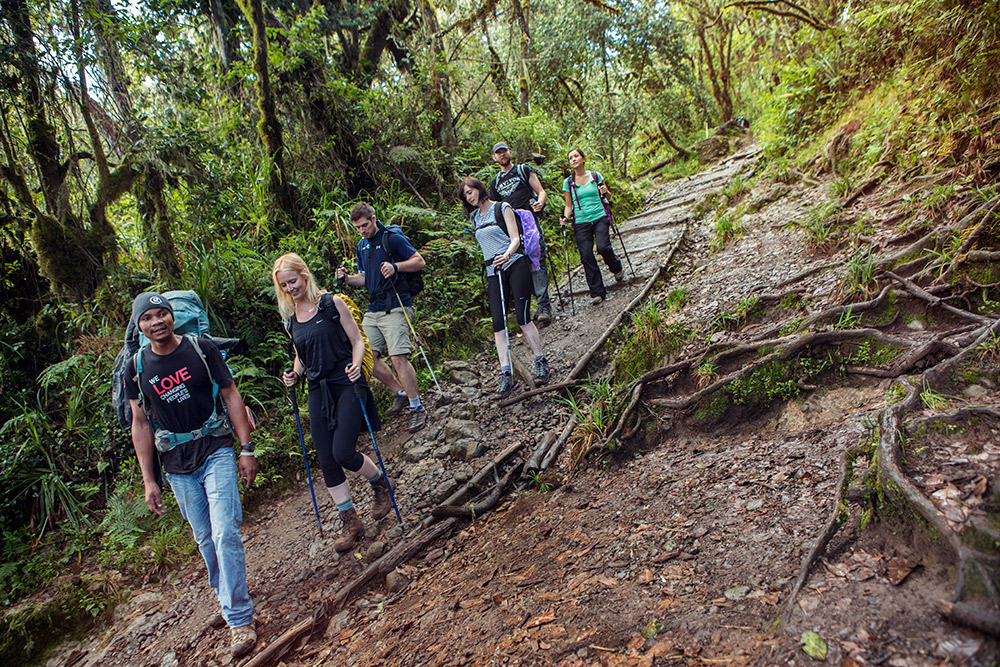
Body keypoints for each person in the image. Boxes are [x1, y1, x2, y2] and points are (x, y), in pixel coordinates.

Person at [125, 292, 258, 659]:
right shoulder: (136, 366)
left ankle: (238, 617)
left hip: (215, 447)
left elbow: (231, 394)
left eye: (163, 314)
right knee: (204, 538)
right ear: (139, 326)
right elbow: (140, 423)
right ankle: (227, 594)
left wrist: (246, 449)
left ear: (172, 317)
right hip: (176, 464)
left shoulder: (200, 348)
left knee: (224, 530)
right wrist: (148, 479)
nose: (158, 322)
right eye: (149, 317)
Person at [273, 253, 394, 553]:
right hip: (317, 388)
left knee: (343, 452)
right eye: (284, 285)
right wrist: (294, 374)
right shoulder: (291, 319)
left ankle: (379, 484)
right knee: (326, 459)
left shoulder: (331, 304)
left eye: (293, 281)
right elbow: (302, 353)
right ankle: (349, 519)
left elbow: (357, 341)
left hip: (347, 382)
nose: (291, 288)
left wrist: (355, 365)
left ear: (304, 275)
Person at [336, 203, 427, 433]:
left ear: (373, 219)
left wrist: (396, 267)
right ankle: (400, 392)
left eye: (365, 225)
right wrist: (347, 279)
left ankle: (417, 407)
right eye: (357, 227)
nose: (362, 230)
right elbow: (365, 278)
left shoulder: (392, 238)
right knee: (367, 357)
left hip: (396, 304)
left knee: (398, 357)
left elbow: (419, 261)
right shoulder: (362, 245)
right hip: (373, 307)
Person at [458, 177, 552, 397]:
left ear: (479, 189)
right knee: (498, 325)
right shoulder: (474, 218)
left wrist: (507, 255)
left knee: (523, 318)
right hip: (493, 272)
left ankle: (541, 361)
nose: (469, 197)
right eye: (465, 196)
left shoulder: (502, 208)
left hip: (515, 265)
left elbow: (515, 238)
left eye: (470, 192)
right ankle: (506, 374)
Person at [488, 142, 553, 326]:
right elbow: (496, 208)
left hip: (530, 222)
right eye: (498, 153)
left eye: (504, 152)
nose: (502, 155)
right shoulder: (495, 183)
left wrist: (539, 203)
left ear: (510, 152)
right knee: (521, 264)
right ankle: (534, 306)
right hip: (511, 228)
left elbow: (540, 191)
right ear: (494, 157)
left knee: (537, 259)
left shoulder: (523, 170)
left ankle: (544, 306)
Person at [560, 147, 625, 305]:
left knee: (603, 247)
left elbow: (608, 196)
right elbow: (568, 206)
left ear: (583, 159)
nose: (573, 159)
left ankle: (616, 268)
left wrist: (605, 191)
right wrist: (565, 218)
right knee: (586, 255)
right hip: (581, 222)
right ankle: (597, 292)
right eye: (570, 158)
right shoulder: (568, 183)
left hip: (599, 216)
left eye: (576, 156)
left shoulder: (595, 176)